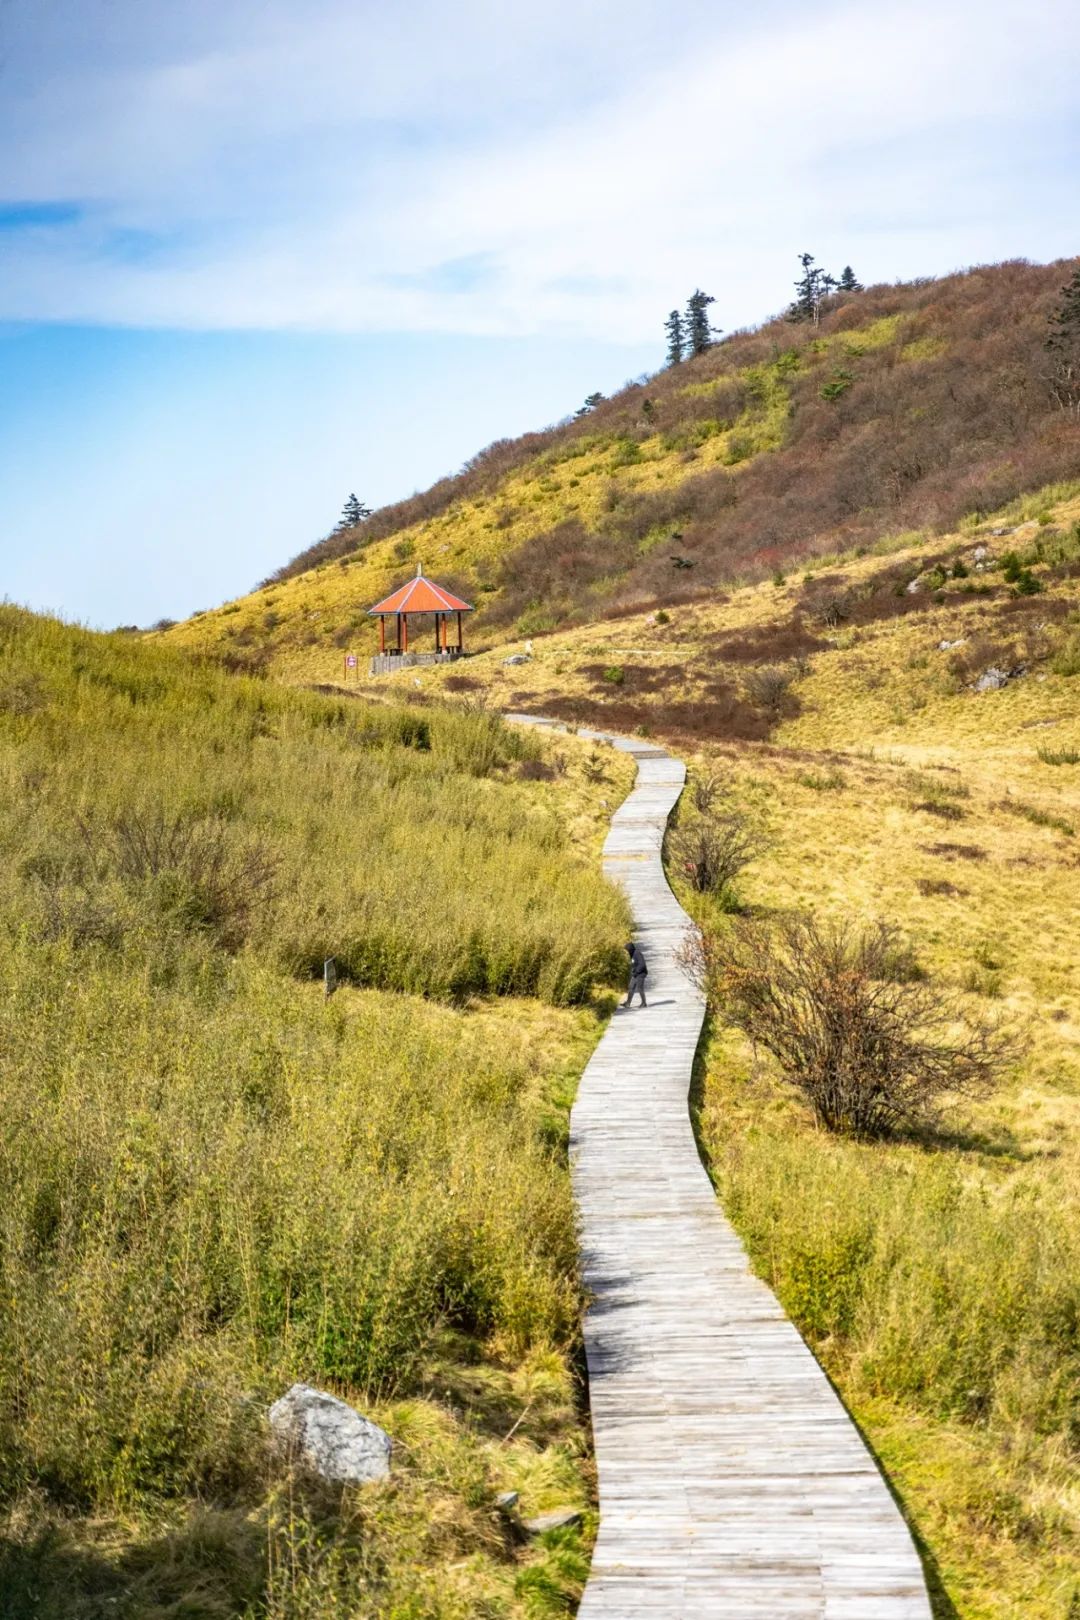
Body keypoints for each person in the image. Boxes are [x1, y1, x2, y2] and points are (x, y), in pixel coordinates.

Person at [624, 940, 648, 1008]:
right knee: (631, 987)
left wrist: (636, 971)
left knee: (640, 988)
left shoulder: (637, 953)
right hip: (635, 974)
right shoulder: (631, 954)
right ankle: (628, 1003)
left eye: (627, 950)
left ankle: (644, 1003)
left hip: (641, 974)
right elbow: (634, 963)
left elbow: (642, 964)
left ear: (630, 949)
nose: (627, 951)